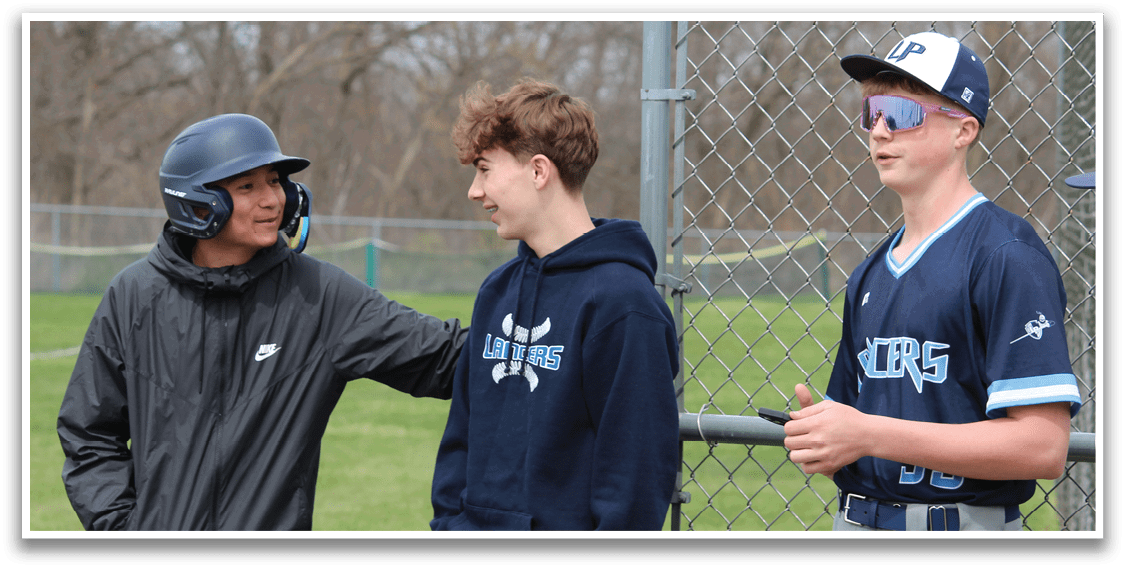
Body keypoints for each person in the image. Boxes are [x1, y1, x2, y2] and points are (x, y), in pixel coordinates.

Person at [57, 113, 467, 531]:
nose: (272, 200)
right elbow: (90, 435)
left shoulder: (319, 295)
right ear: (196, 201)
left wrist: (532, 287)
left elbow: (446, 359)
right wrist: (120, 530)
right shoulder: (134, 296)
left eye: (274, 181)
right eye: (247, 186)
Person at [783, 32, 1082, 531]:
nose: (879, 131)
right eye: (871, 113)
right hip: (856, 520)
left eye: (901, 114)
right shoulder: (871, 271)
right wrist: (824, 437)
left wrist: (869, 435)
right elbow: (855, 424)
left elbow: (1042, 447)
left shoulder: (1005, 254)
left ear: (963, 130)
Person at [429, 78, 680, 531]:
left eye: (485, 170)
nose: (474, 190)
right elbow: (461, 436)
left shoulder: (624, 305)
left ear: (539, 171)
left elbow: (636, 474)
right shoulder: (496, 290)